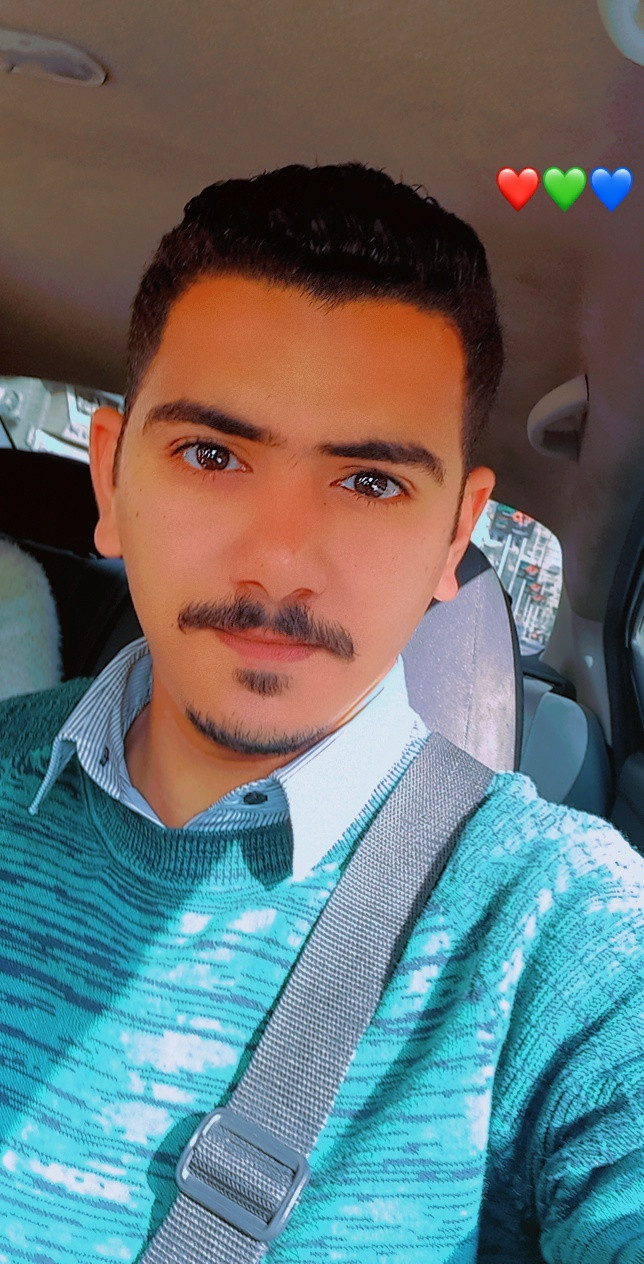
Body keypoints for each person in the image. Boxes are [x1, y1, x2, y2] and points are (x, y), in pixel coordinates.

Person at [0, 163, 642, 1263]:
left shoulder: (555, 927)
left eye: (371, 482)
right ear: (109, 479)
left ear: (454, 535)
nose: (280, 561)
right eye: (212, 455)